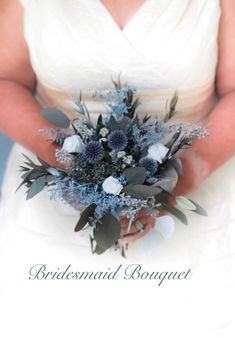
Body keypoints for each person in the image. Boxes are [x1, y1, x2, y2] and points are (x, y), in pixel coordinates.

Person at [0, 1, 234, 337]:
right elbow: (7, 79)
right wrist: (69, 164)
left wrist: (178, 178)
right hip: (50, 225)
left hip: (200, 213)